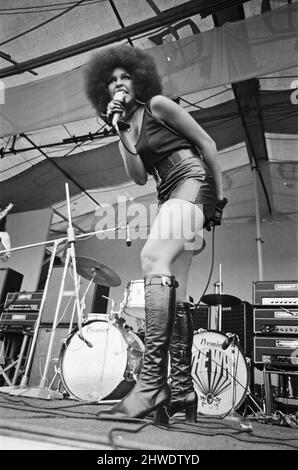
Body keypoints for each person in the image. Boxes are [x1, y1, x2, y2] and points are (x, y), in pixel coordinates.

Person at [84, 45, 226, 423]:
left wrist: (220, 196)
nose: (119, 84)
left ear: (138, 79)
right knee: (176, 288)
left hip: (193, 181)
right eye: (111, 80)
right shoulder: (123, 128)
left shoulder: (158, 105)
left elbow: (207, 145)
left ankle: (151, 385)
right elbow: (138, 176)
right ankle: (181, 392)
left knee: (151, 258)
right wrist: (120, 132)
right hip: (168, 195)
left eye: (124, 77)